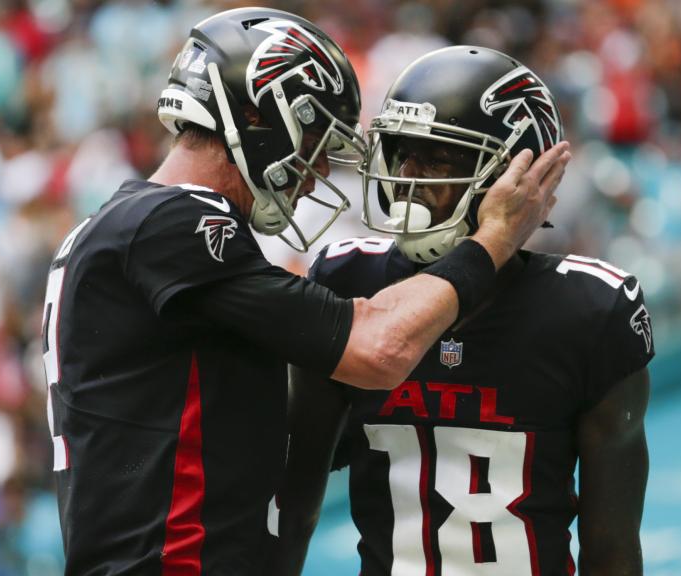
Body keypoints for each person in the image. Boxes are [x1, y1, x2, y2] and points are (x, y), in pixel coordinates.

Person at [40, 9, 570, 576]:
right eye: (315, 141)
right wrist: (494, 237)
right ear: (255, 113)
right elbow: (379, 348)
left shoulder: (136, 222)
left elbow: (238, 429)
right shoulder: (173, 222)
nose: (316, 173)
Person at [276, 46, 651, 576]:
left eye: (441, 158)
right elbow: (291, 507)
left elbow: (611, 550)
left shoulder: (590, 310)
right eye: (404, 154)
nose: (409, 178)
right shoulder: (346, 280)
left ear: (521, 178)